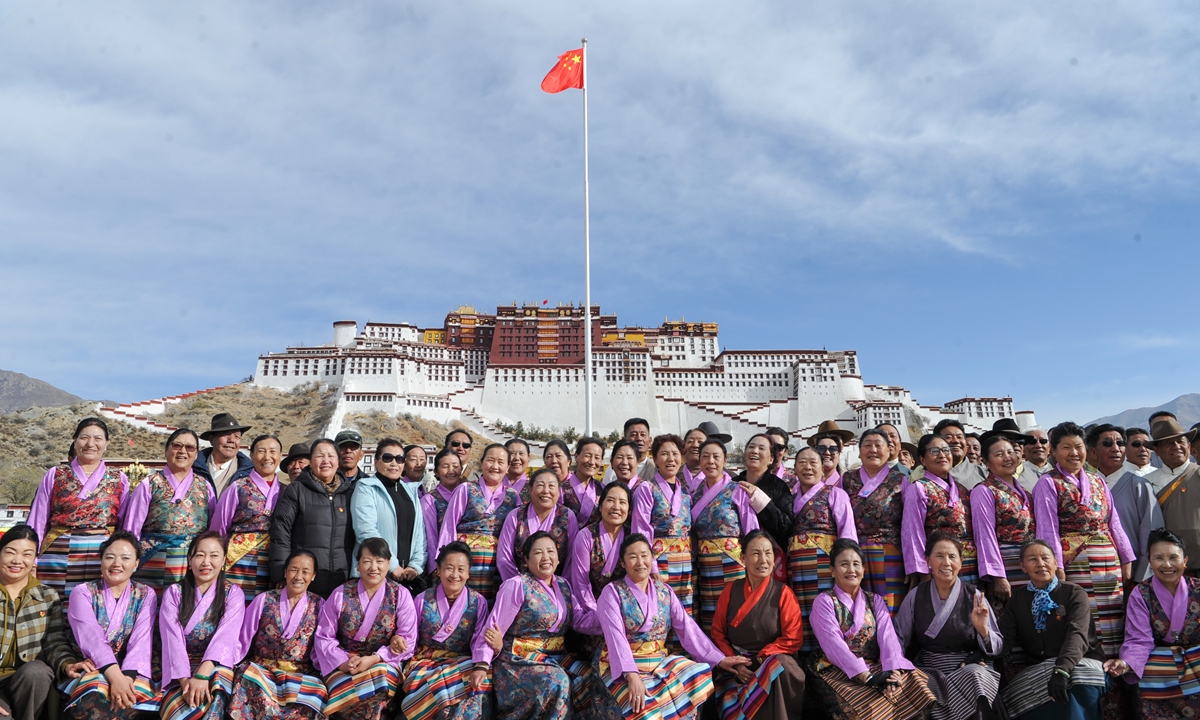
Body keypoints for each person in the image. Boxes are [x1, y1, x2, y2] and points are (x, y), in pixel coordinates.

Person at [593, 533, 749, 720]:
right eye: (633, 557)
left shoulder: (664, 590)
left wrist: (720, 659)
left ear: (652, 558)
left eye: (645, 555)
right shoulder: (612, 592)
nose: (640, 562)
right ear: (623, 562)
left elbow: (686, 627)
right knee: (644, 711)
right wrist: (631, 675)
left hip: (659, 663)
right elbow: (615, 637)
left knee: (698, 674)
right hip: (623, 668)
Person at [1033, 422, 1134, 659]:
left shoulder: (1097, 480)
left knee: (1114, 616)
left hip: (1108, 561)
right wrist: (1056, 567)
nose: (1074, 453)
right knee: (1084, 616)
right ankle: (1091, 672)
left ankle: (1116, 678)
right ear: (1053, 451)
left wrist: (1126, 558)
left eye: (1078, 446)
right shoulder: (1047, 483)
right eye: (1066, 447)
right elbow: (1048, 530)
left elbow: (1114, 522)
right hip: (1074, 564)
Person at [808, 538, 936, 720]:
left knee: (916, 688)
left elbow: (888, 638)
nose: (851, 570)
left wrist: (892, 672)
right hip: (839, 670)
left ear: (863, 570)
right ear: (832, 570)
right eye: (844, 564)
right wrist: (867, 677)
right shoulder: (825, 602)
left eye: (856, 564)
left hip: (876, 666)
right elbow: (833, 646)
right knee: (870, 705)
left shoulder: (875, 600)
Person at [481, 532, 595, 720]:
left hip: (557, 656)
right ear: (526, 560)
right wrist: (482, 662)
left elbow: (579, 620)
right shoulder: (517, 585)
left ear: (558, 558)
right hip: (519, 658)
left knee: (588, 676)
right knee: (557, 681)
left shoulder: (564, 585)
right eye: (538, 553)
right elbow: (493, 627)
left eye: (550, 551)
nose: (546, 557)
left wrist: (609, 620)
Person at [894, 532, 1003, 720]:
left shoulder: (975, 596)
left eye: (952, 556)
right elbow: (898, 639)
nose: (946, 562)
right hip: (929, 667)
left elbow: (998, 646)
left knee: (976, 676)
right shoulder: (915, 596)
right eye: (939, 556)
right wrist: (895, 667)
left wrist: (982, 629)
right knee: (917, 687)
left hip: (966, 666)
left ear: (960, 562)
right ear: (928, 561)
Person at [997, 539, 1108, 720]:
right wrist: (983, 650)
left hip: (1080, 663)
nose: (1040, 564)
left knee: (1075, 682)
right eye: (1032, 559)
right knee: (1013, 697)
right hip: (1039, 669)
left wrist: (1062, 670)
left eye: (1045, 558)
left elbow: (1077, 634)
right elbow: (1005, 640)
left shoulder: (1074, 593)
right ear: (1023, 566)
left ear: (1056, 563)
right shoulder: (1017, 600)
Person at [28, 417, 129, 607]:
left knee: (94, 607)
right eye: (84, 437)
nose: (91, 444)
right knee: (53, 607)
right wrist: (31, 558)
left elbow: (125, 525)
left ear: (106, 444)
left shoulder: (119, 478)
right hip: (58, 552)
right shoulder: (55, 474)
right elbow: (38, 518)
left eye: (98, 438)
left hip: (101, 554)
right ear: (75, 441)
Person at [313, 537, 418, 720]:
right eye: (367, 561)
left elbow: (407, 639)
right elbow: (324, 637)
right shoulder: (340, 593)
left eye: (379, 561)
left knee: (381, 683)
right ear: (358, 565)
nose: (373, 567)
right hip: (346, 664)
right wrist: (342, 661)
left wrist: (376, 658)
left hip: (382, 663)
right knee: (346, 692)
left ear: (388, 564)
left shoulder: (400, 594)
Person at [712, 530, 806, 720]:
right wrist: (734, 663)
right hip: (737, 668)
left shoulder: (784, 593)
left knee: (780, 665)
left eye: (768, 553)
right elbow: (717, 633)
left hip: (772, 664)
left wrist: (761, 660)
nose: (763, 559)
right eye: (756, 553)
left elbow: (793, 638)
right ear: (743, 558)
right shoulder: (730, 591)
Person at [63, 530, 157, 720]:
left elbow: (142, 641)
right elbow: (93, 640)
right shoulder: (83, 593)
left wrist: (126, 679)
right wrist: (115, 677)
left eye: (125, 558)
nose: (116, 564)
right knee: (96, 694)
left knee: (136, 697)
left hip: (131, 668)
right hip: (92, 665)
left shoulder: (146, 594)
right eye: (110, 557)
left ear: (136, 563)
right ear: (101, 560)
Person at [0, 525, 89, 720]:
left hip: (25, 681)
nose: (17, 560)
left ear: (34, 560)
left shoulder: (47, 596)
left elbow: (54, 642)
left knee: (38, 672)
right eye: (10, 552)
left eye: (27, 554)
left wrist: (67, 664)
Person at [1109, 529, 1198, 719]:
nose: (1167, 565)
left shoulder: (1198, 589)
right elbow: (1138, 639)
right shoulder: (1141, 594)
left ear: (1185, 560)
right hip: (1159, 667)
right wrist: (1126, 663)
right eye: (1159, 558)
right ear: (1150, 561)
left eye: (1173, 557)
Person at [229, 548, 327, 720]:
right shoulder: (265, 599)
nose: (298, 576)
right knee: (249, 681)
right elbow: (242, 638)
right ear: (285, 572)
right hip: (263, 669)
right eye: (294, 570)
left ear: (313, 576)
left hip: (301, 672)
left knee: (316, 692)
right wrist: (227, 663)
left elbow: (322, 644)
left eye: (305, 572)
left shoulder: (319, 605)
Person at [158, 531, 247, 720]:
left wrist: (202, 676)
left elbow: (225, 637)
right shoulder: (174, 593)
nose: (206, 562)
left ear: (224, 561)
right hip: (178, 668)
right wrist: (185, 680)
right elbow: (171, 640)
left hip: (215, 665)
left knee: (215, 698)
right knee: (181, 710)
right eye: (200, 555)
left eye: (214, 555)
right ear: (190, 560)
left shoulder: (233, 594)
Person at [401, 541, 493, 720]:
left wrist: (481, 664)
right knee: (440, 696)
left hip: (462, 662)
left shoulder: (478, 602)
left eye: (461, 569)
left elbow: (480, 640)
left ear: (468, 572)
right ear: (438, 569)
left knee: (479, 684)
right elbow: (410, 637)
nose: (455, 575)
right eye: (449, 568)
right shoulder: (421, 600)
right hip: (425, 663)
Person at [126, 428, 216, 593]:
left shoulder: (205, 487)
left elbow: (212, 529)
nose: (183, 451)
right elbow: (131, 529)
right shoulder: (149, 484)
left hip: (192, 562)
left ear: (196, 454)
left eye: (190, 448)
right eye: (177, 446)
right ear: (166, 450)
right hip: (152, 559)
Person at [269, 438, 358, 598]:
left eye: (331, 456)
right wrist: (281, 573)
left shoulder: (350, 493)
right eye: (319, 456)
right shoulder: (297, 490)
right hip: (304, 580)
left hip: (341, 580)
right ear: (311, 461)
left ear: (338, 462)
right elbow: (281, 533)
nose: (326, 461)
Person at [790, 444, 858, 650]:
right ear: (794, 469)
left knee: (828, 611)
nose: (808, 468)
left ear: (823, 468)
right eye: (802, 463)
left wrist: (847, 567)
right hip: (796, 567)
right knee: (800, 613)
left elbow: (847, 534)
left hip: (825, 567)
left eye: (813, 463)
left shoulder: (835, 494)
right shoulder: (790, 498)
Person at [691, 439, 760, 633]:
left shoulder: (738, 490)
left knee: (736, 606)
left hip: (733, 561)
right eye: (705, 456)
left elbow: (751, 528)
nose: (710, 461)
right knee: (710, 611)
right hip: (705, 564)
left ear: (725, 461)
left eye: (716, 456)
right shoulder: (694, 495)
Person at [437, 443, 519, 603]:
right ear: (481, 463)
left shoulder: (513, 496)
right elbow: (449, 526)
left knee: (491, 606)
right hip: (465, 563)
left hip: (496, 566)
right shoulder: (465, 489)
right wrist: (444, 560)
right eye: (490, 460)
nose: (495, 466)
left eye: (501, 462)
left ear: (508, 467)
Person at [209, 433, 285, 600]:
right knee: (235, 606)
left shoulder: (286, 491)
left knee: (265, 611)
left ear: (280, 456)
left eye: (273, 451)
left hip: (273, 562)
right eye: (261, 451)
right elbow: (218, 528)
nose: (267, 457)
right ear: (251, 456)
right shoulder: (237, 487)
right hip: (238, 561)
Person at [844, 429, 908, 614]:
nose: (873, 449)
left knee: (891, 611)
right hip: (856, 554)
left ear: (889, 451)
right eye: (867, 445)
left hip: (892, 553)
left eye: (878, 445)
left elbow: (910, 524)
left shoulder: (900, 480)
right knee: (859, 609)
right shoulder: (847, 479)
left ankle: (894, 644)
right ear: (859, 450)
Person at [350, 438, 427, 592]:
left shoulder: (410, 491)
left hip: (406, 578)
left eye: (399, 459)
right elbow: (366, 531)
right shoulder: (366, 488)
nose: (394, 463)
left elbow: (419, 533)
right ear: (376, 461)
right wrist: (391, 564)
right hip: (375, 574)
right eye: (387, 458)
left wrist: (415, 566)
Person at [1088, 424, 1162, 583]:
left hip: (1131, 574)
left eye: (1120, 443)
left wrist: (1142, 573)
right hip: (1090, 570)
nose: (1115, 449)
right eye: (1107, 444)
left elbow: (1151, 529)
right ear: (1093, 451)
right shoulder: (1085, 487)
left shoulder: (1139, 485)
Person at [631, 434, 696, 615]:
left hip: (685, 563)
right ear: (655, 460)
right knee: (661, 610)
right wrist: (650, 565)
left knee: (684, 612)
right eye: (664, 454)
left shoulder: (685, 495)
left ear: (682, 459)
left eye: (675, 454)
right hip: (660, 561)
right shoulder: (646, 489)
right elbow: (641, 530)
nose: (670, 459)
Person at [971, 432, 1036, 610]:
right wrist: (998, 575)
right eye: (999, 454)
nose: (1008, 458)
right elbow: (984, 535)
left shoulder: (1023, 490)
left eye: (1010, 452)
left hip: (1031, 562)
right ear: (985, 461)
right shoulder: (984, 491)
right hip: (1006, 564)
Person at [903, 435, 978, 587]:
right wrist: (922, 571)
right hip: (940, 564)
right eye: (934, 451)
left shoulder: (962, 489)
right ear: (922, 460)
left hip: (969, 563)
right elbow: (912, 532)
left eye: (946, 450)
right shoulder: (919, 488)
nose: (942, 455)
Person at [567, 481, 631, 636]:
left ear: (629, 510)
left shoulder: (632, 538)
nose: (616, 507)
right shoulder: (586, 536)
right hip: (593, 609)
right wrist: (599, 614)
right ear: (601, 506)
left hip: (624, 610)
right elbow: (581, 582)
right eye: (610, 500)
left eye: (622, 502)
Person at [497, 468, 579, 582]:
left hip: (556, 587)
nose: (546, 491)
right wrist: (521, 585)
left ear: (559, 491)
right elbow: (504, 558)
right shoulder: (516, 515)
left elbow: (572, 559)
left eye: (551, 486)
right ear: (530, 489)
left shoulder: (567, 516)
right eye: (540, 485)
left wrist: (560, 586)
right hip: (520, 586)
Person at [1149, 418, 1200, 575]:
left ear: (1189, 446)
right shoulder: (1146, 483)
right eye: (1168, 443)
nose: (1176, 447)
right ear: (1156, 450)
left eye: (1180, 442)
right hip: (1166, 568)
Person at [733, 433, 796, 555]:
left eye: (761, 448)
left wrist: (760, 501)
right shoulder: (733, 484)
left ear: (771, 459)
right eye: (751, 447)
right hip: (736, 556)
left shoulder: (778, 486)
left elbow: (786, 526)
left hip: (769, 557)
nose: (755, 451)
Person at [420, 449, 464, 574]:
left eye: (455, 466)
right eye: (445, 466)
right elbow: (430, 537)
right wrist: (436, 569)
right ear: (436, 472)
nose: (451, 470)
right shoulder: (430, 500)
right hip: (444, 565)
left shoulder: (469, 494)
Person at [194, 412, 254, 497]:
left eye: (236, 437)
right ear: (212, 440)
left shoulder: (249, 473)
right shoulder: (193, 467)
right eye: (226, 435)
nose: (231, 440)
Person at [563, 437, 605, 526]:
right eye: (587, 456)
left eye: (597, 457)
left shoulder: (603, 489)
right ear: (576, 457)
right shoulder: (561, 489)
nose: (592, 462)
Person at [601, 417, 655, 485]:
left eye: (643, 435)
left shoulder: (656, 469)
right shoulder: (613, 470)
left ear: (650, 441)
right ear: (624, 440)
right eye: (633, 435)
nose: (639, 438)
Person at [936, 419, 987, 489]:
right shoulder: (925, 474)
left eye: (959, 437)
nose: (956, 441)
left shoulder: (982, 474)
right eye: (948, 437)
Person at [809, 420, 855, 488]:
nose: (827, 452)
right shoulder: (805, 479)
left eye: (835, 438)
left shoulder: (850, 479)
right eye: (822, 448)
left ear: (842, 444)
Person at [766, 426, 796, 491]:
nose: (774, 450)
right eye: (770, 446)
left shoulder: (795, 477)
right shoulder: (752, 475)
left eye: (779, 447)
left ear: (785, 452)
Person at [681, 427, 709, 492]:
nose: (695, 445)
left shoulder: (716, 478)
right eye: (690, 441)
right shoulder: (673, 477)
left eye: (700, 442)